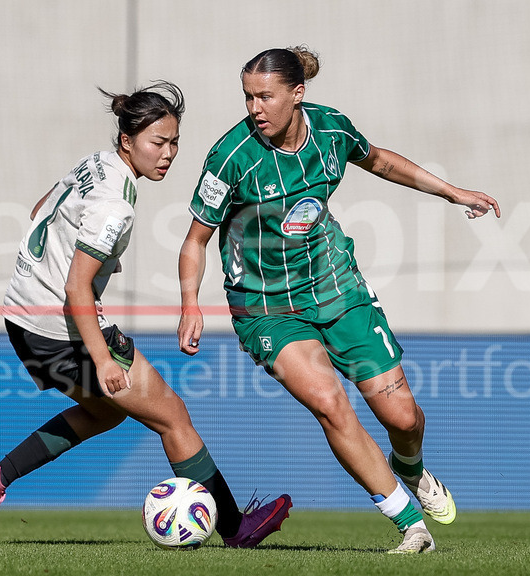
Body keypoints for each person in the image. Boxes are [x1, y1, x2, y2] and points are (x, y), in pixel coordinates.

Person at [177, 48, 500, 554]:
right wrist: (190, 303)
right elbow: (196, 240)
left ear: (297, 93)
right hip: (267, 309)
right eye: (247, 96)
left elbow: (381, 161)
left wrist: (452, 192)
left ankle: (409, 469)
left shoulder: (331, 130)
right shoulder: (230, 157)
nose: (254, 107)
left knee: (402, 418)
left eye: (265, 96)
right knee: (330, 403)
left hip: (338, 289)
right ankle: (412, 526)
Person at [0, 81, 291, 548]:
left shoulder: (95, 165)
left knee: (104, 413)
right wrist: (101, 358)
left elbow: (42, 208)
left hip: (22, 320)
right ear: (127, 141)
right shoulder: (115, 204)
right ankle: (237, 528)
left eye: (174, 141)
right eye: (158, 143)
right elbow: (76, 286)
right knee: (172, 417)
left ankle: (0, 476)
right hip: (63, 331)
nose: (169, 153)